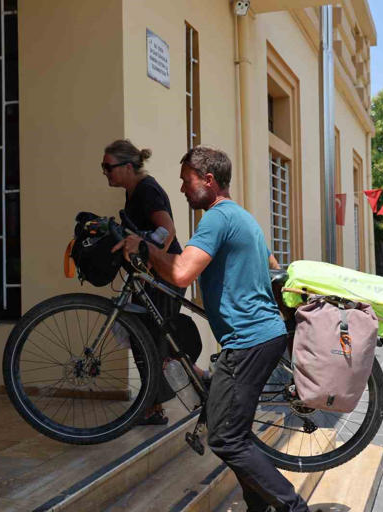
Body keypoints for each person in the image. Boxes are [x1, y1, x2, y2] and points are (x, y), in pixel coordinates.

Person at [113, 146, 309, 512]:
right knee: (237, 434)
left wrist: (144, 247)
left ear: (208, 180)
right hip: (261, 337)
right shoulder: (244, 218)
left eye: (187, 180)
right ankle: (259, 506)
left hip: (248, 341)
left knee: (226, 438)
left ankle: (293, 507)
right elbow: (272, 265)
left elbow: (181, 272)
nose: (183, 189)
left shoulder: (217, 219)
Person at [102, 139, 201, 425]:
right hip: (154, 274)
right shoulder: (134, 191)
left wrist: (143, 246)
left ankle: (158, 403)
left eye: (108, 167)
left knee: (152, 339)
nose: (106, 173)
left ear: (128, 166)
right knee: (147, 337)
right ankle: (155, 403)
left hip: (166, 274)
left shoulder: (147, 189)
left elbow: (166, 231)